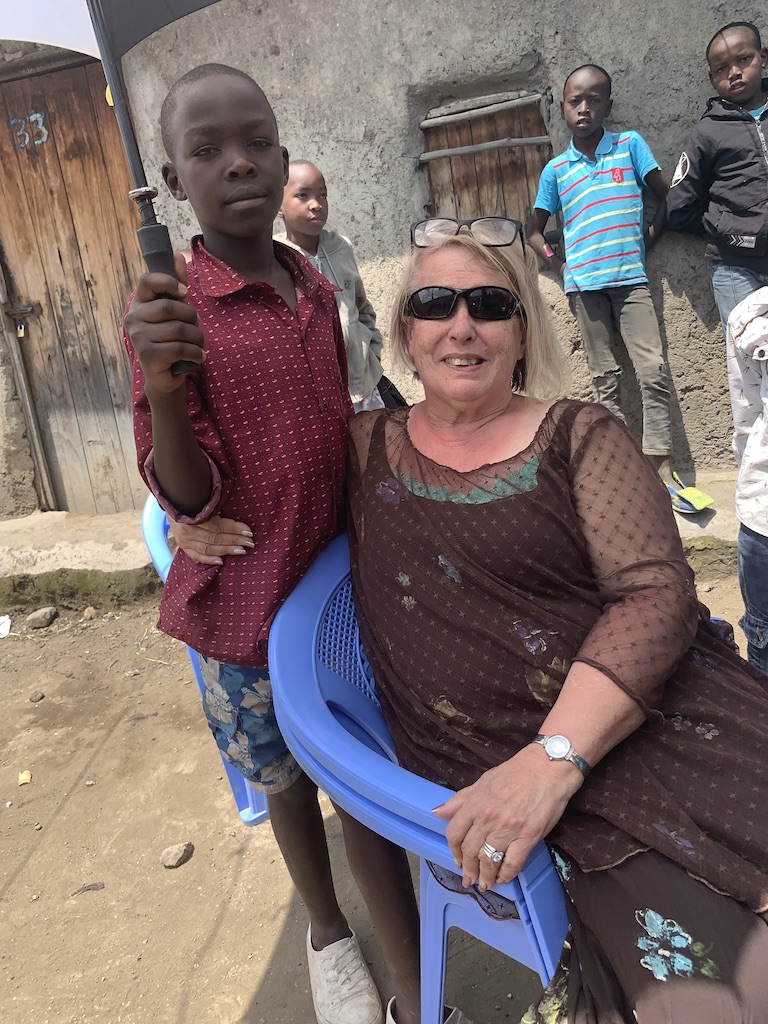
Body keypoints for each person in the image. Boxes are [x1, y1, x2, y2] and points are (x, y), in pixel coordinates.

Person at [179, 225, 768, 1023]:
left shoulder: (580, 433)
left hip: (653, 718)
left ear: (521, 333)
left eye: (490, 305)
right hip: (490, 760)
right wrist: (190, 515)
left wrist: (553, 760)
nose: (462, 325)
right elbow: (254, 479)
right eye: (435, 304)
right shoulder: (361, 449)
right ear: (404, 334)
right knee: (725, 991)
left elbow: (655, 594)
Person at [122, 63, 424, 1024]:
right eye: (206, 150)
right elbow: (187, 488)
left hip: (338, 582)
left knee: (361, 772)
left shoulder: (313, 284)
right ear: (175, 182)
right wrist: (163, 381)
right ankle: (327, 933)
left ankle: (416, 984)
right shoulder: (172, 312)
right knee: (287, 782)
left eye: (256, 142)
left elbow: (337, 420)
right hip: (248, 610)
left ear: (284, 154)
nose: (238, 163)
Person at [527, 64, 674, 486]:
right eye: (575, 101)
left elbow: (668, 198)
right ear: (562, 108)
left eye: (594, 99)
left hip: (631, 282)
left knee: (652, 370)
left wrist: (646, 241)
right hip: (584, 287)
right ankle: (622, 466)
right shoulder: (556, 170)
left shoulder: (629, 146)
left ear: (609, 105)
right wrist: (561, 267)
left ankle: (661, 465)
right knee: (605, 379)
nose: (584, 108)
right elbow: (534, 232)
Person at [276, 160, 406, 411]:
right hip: (323, 396)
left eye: (322, 195)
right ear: (278, 207)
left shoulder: (341, 248)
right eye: (302, 195)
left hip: (366, 384)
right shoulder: (277, 259)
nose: (316, 204)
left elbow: (362, 307)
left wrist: (372, 351)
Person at [666, 21, 768, 335]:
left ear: (763, 57)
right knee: (751, 355)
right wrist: (726, 229)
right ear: (712, 79)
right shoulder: (707, 131)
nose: (734, 73)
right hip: (736, 266)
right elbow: (678, 208)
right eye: (721, 69)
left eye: (743, 59)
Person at [726, 288, 768, 677]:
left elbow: (748, 418)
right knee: (763, 635)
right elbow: (749, 417)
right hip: (763, 518)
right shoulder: (751, 316)